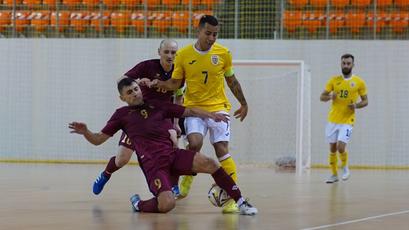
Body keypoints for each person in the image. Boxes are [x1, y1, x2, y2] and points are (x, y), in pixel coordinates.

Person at [69, 78, 258, 215]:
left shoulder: (157, 105)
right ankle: (139, 204)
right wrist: (86, 131)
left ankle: (241, 202)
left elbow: (189, 110)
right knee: (167, 204)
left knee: (211, 163)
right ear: (122, 98)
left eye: (135, 89)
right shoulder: (121, 115)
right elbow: (98, 139)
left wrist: (211, 115)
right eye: (129, 92)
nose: (134, 93)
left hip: (173, 155)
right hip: (154, 165)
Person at [149, 15, 248, 213]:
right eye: (208, 33)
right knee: (194, 143)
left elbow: (232, 80)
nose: (212, 38)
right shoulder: (184, 55)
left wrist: (243, 103)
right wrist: (159, 84)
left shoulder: (223, 53)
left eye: (215, 34)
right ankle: (186, 180)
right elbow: (176, 84)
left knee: (221, 148)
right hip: (194, 108)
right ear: (199, 31)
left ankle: (231, 199)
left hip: (218, 107)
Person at [92, 39, 183, 196]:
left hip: (162, 116)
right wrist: (138, 82)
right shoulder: (146, 66)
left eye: (173, 52)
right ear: (159, 52)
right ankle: (106, 174)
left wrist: (176, 123)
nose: (170, 55)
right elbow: (121, 80)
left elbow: (178, 97)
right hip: (139, 117)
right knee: (122, 159)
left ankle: (174, 185)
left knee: (174, 143)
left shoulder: (179, 72)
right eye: (166, 52)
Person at [320, 54, 368, 183]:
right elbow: (322, 97)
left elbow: (365, 101)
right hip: (333, 120)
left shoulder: (359, 82)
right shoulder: (334, 80)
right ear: (340, 64)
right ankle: (334, 175)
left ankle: (345, 168)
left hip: (348, 120)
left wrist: (356, 106)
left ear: (353, 65)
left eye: (348, 63)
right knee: (332, 148)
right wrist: (330, 96)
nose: (346, 65)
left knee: (341, 147)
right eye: (344, 63)